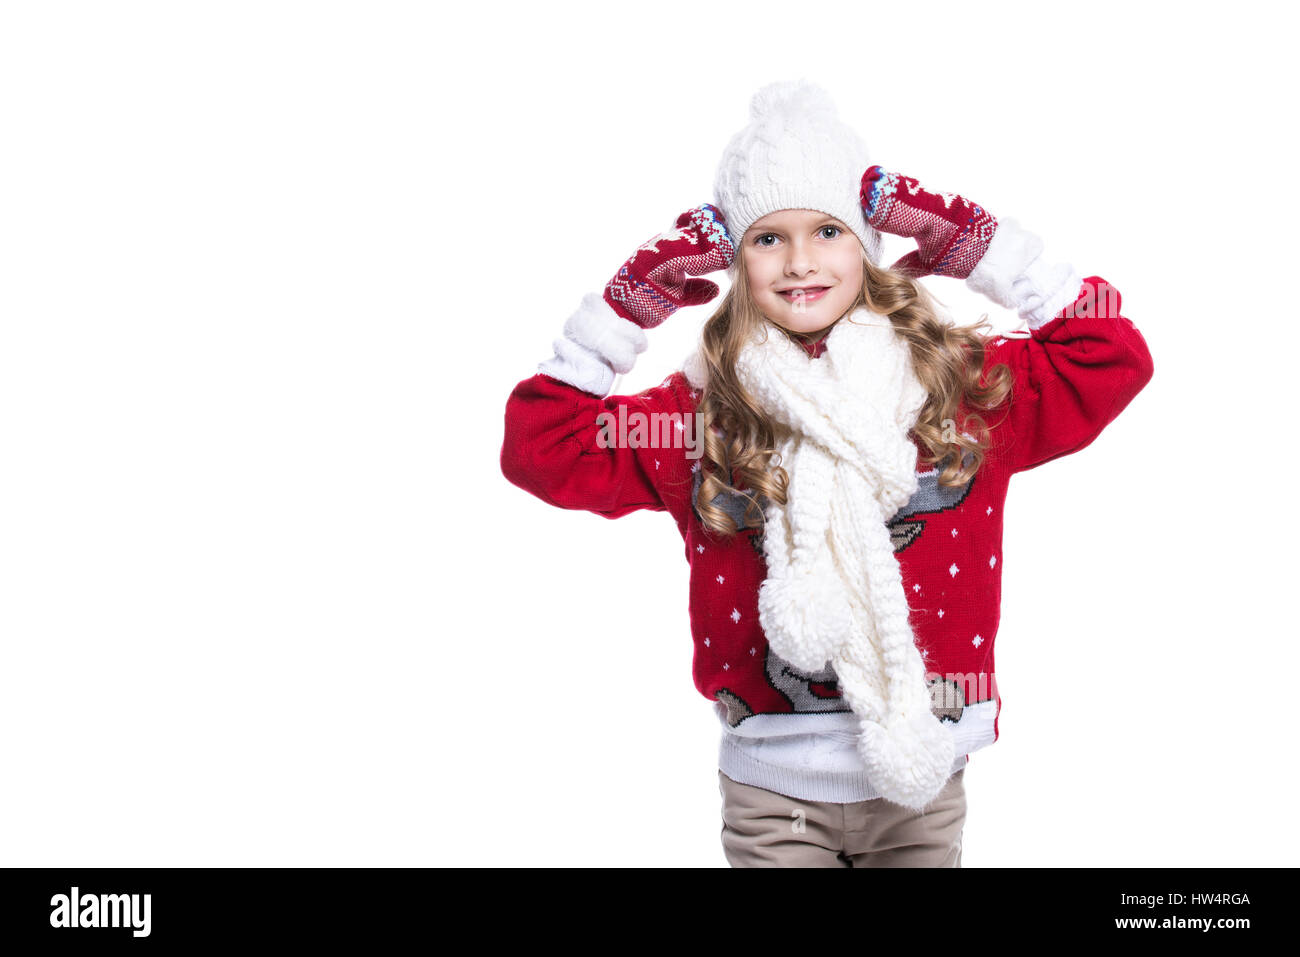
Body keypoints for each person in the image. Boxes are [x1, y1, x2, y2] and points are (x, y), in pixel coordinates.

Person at [499, 80, 1154, 867]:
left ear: (869, 245)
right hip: (773, 789)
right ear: (735, 260)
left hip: (925, 773)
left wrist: (986, 249)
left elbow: (1111, 353)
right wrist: (628, 305)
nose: (800, 260)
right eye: (766, 238)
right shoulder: (702, 414)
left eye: (829, 229)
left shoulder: (960, 387)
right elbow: (539, 442)